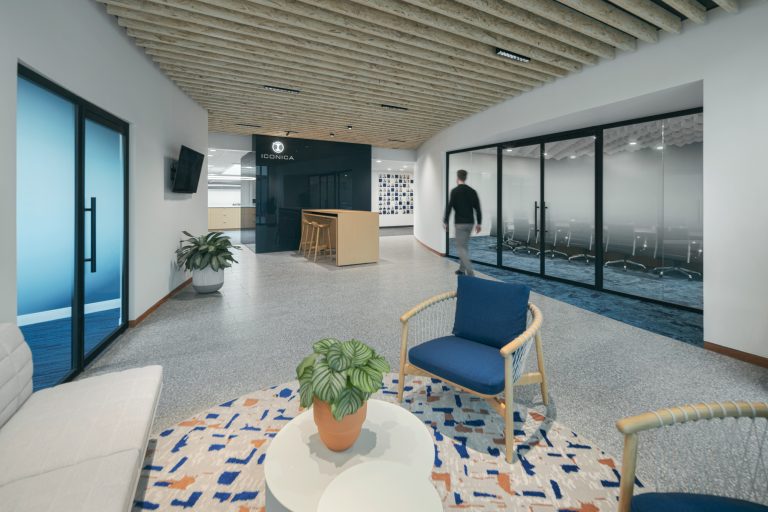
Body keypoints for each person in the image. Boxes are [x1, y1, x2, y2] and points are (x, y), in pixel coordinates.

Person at [443, 169, 481, 276]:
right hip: (470, 223)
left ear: (457, 178)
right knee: (464, 247)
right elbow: (478, 208)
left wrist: (445, 221)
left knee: (460, 248)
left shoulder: (455, 191)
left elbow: (449, 207)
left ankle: (470, 273)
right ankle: (461, 269)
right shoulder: (472, 191)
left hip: (460, 224)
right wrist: (479, 223)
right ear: (465, 178)